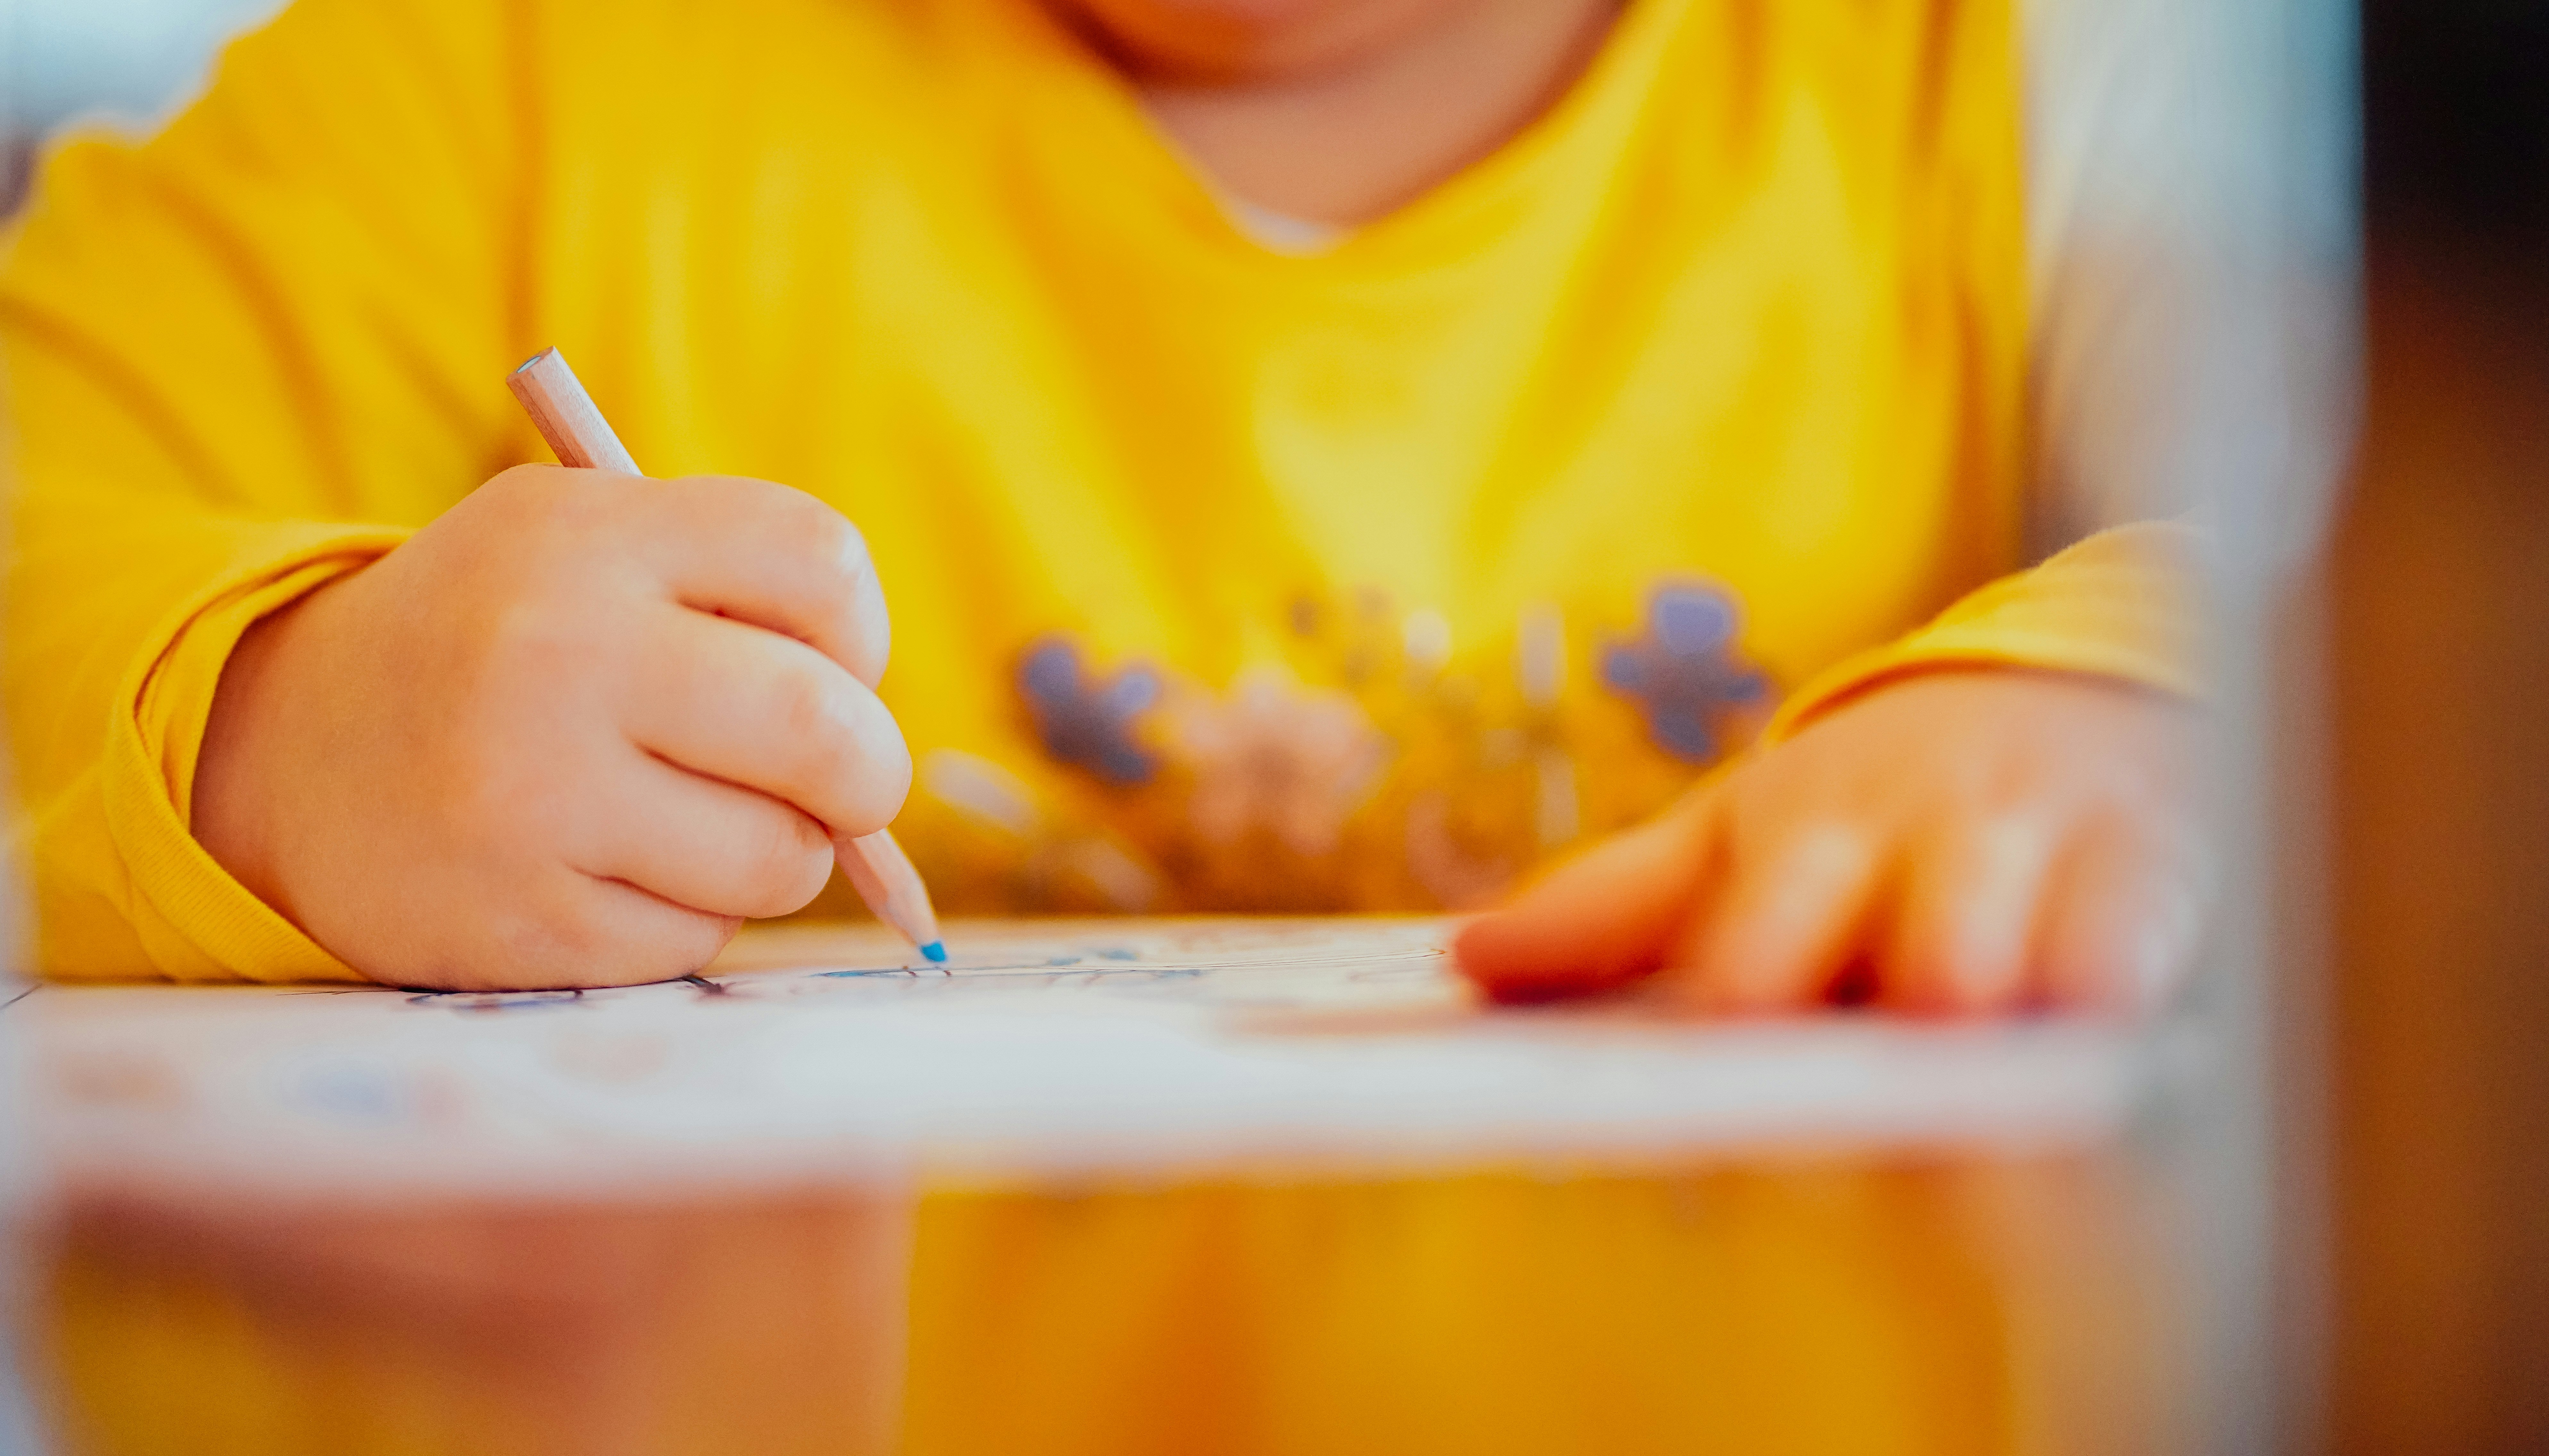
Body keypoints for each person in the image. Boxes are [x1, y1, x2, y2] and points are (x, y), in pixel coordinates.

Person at [0, 0, 2213, 1007]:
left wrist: (2129, 699)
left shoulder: (2034, 66)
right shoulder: (489, 77)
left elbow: (2410, 524)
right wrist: (280, 728)